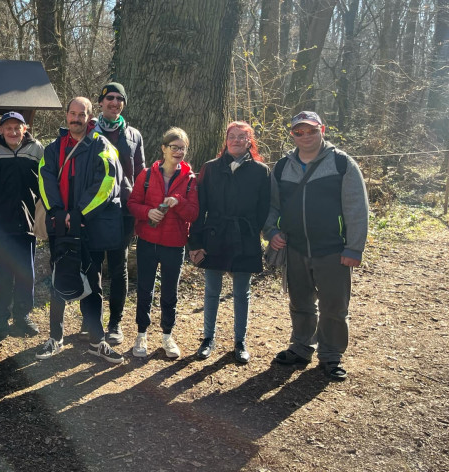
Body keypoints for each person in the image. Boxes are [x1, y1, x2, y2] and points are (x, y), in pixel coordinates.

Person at [265, 111, 368, 381]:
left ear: (322, 130)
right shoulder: (282, 167)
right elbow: (271, 205)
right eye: (299, 132)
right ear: (292, 135)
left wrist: (354, 248)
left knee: (334, 306)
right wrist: (271, 231)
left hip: (334, 249)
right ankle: (301, 348)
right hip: (295, 248)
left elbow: (357, 208)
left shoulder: (342, 163)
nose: (305, 136)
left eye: (311, 130)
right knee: (300, 303)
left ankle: (331, 355)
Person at [34, 97, 125, 364]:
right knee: (58, 280)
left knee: (93, 285)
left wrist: (80, 214)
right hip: (60, 227)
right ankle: (55, 337)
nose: (76, 119)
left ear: (89, 116)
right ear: (66, 115)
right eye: (72, 113)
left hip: (89, 226)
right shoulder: (53, 148)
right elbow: (45, 179)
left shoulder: (102, 146)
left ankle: (97, 341)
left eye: (81, 114)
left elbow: (107, 183)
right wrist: (58, 212)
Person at [188, 121, 270, 364]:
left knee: (242, 292)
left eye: (241, 136)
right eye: (231, 136)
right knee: (212, 290)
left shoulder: (261, 171)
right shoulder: (210, 168)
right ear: (226, 140)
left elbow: (263, 208)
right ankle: (208, 338)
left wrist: (252, 232)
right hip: (215, 235)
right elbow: (199, 207)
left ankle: (240, 341)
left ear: (249, 141)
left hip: (245, 236)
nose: (236, 140)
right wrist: (195, 241)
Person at [127, 127, 198, 359]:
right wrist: (147, 212)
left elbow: (193, 213)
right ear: (164, 149)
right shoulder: (146, 175)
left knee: (169, 293)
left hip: (174, 244)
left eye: (182, 148)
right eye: (174, 147)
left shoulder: (190, 180)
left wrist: (179, 201)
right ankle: (141, 334)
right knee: (144, 290)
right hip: (147, 242)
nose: (178, 152)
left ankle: (167, 335)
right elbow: (132, 204)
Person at [90, 82, 145, 345]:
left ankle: (115, 323)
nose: (114, 102)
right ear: (101, 102)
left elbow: (141, 174)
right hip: (93, 209)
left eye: (119, 98)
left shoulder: (133, 135)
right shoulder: (90, 131)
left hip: (123, 212)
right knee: (92, 267)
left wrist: (138, 208)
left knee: (118, 268)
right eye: (109, 98)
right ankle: (92, 320)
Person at [0, 111, 44, 337]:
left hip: (28, 223)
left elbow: (44, 183)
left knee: (26, 273)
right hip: (0, 225)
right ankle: (0, 318)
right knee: (2, 274)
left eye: (17, 127)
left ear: (25, 129)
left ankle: (22, 315)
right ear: (0, 130)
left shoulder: (36, 149)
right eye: (8, 127)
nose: (13, 131)